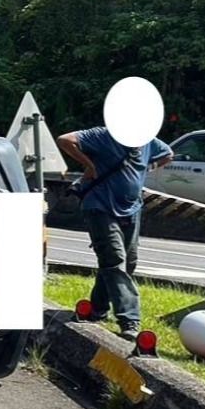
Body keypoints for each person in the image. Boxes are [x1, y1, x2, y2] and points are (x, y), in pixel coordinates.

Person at [57, 126, 172, 340]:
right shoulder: (103, 135)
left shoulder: (148, 140)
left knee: (127, 262)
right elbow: (65, 140)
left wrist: (149, 166)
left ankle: (97, 309)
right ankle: (130, 319)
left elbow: (167, 154)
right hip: (100, 207)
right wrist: (89, 166)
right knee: (114, 259)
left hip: (132, 209)